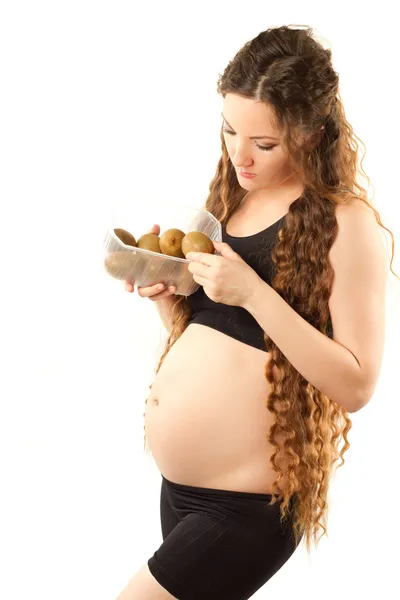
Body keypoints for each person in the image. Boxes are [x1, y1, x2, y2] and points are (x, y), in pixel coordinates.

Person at [115, 24, 398, 600]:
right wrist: (171, 302)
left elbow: (358, 384)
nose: (239, 155)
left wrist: (252, 291)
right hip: (180, 492)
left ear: (313, 132)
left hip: (247, 509)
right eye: (229, 131)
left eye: (263, 144)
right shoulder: (232, 198)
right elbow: (222, 337)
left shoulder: (348, 225)